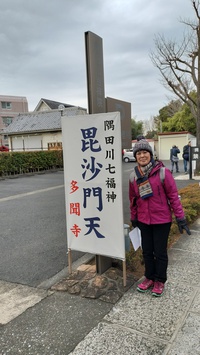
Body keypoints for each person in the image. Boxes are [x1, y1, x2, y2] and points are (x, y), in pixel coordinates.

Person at [129, 139, 191, 297]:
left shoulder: (163, 172)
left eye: (145, 152)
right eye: (139, 153)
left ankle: (160, 280)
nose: (142, 156)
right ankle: (149, 277)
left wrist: (180, 218)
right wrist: (134, 217)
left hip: (162, 220)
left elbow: (173, 197)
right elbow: (133, 200)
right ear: (136, 156)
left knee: (160, 252)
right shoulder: (133, 176)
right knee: (147, 252)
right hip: (144, 220)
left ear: (151, 155)